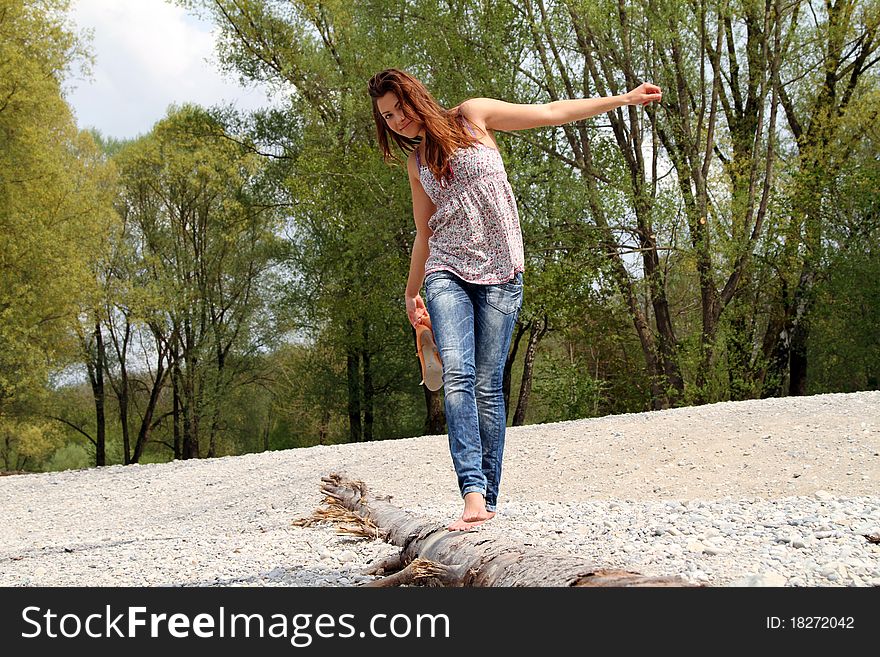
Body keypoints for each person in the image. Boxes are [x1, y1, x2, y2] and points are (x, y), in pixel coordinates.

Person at [367, 68, 661, 530]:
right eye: (387, 117)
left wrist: (621, 99)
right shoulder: (416, 162)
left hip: (502, 272)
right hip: (447, 268)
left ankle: (490, 497)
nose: (397, 121)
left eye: (399, 109)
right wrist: (411, 292)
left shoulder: (472, 116)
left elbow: (550, 113)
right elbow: (425, 232)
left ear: (416, 98)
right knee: (461, 377)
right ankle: (472, 493)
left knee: (488, 382)